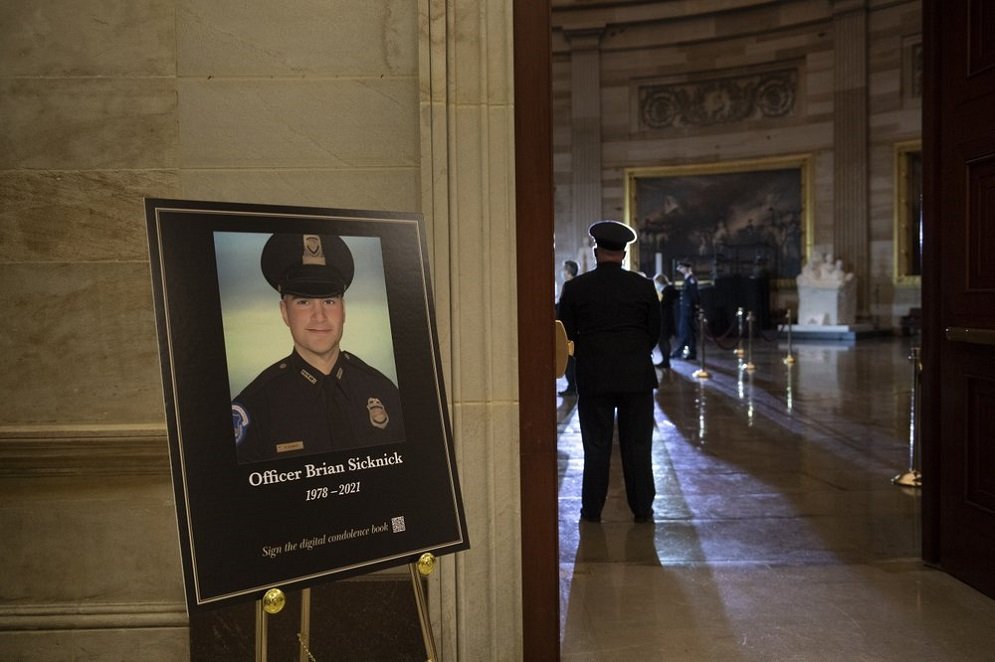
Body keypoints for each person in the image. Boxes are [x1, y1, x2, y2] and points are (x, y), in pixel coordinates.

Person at [232, 233, 405, 464]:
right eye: (304, 302)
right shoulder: (255, 406)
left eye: (329, 301)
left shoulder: (385, 392)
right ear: (284, 312)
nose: (319, 316)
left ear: (343, 310)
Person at [557, 220, 661, 523]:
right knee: (639, 446)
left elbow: (566, 336)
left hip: (594, 377)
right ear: (624, 254)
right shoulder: (643, 286)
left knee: (596, 447)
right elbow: (654, 332)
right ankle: (642, 508)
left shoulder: (575, 288)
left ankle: (591, 510)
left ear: (595, 250)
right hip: (636, 378)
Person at [671, 260, 700, 360]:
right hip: (685, 308)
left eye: (682, 268)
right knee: (688, 331)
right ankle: (691, 352)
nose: (681, 270)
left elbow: (694, 295)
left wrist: (695, 307)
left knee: (686, 331)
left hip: (688, 309)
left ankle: (681, 352)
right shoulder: (687, 279)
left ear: (687, 268)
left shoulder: (691, 279)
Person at [559, 260, 579, 396]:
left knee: (569, 359)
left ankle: (572, 386)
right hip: (573, 327)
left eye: (564, 269)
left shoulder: (569, 286)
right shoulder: (575, 285)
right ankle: (572, 385)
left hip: (568, 328)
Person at [653, 273, 678, 369]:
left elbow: (662, 304)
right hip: (667, 318)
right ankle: (665, 360)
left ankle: (666, 361)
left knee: (663, 340)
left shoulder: (666, 291)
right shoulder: (668, 290)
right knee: (664, 340)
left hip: (665, 319)